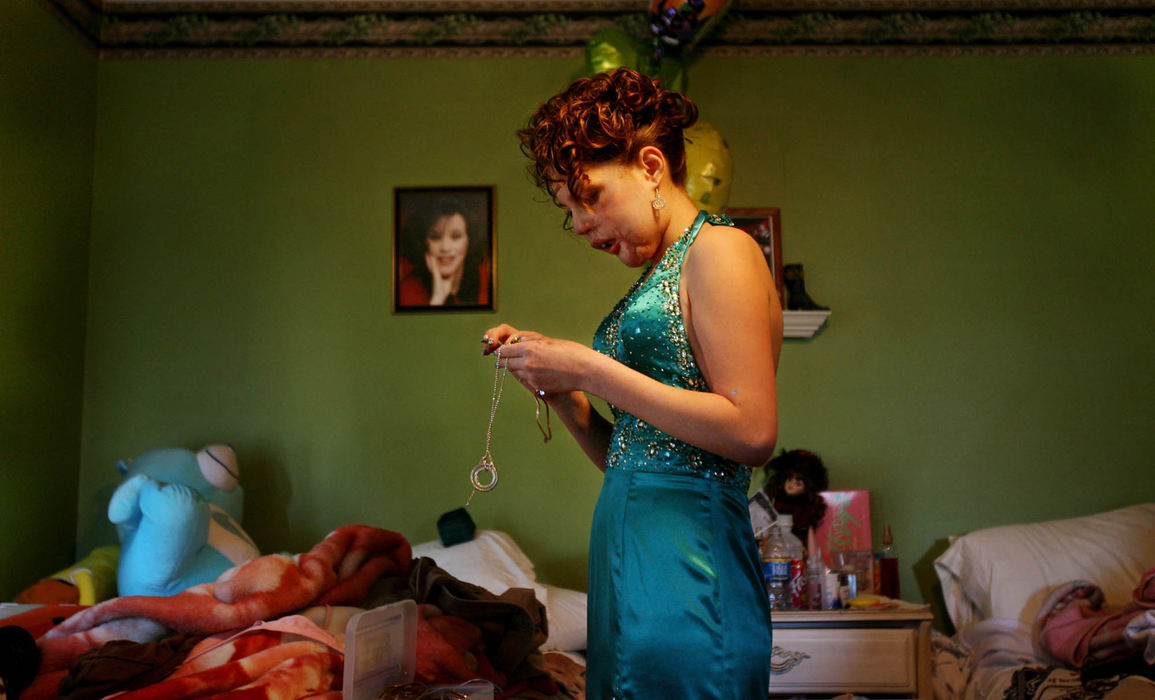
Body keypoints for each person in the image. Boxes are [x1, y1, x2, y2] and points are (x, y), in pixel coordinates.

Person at [482, 67, 783, 699]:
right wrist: (565, 395)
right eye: (568, 212)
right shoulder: (653, 278)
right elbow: (636, 456)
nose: (582, 225)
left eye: (589, 197)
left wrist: (590, 367)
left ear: (650, 166)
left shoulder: (721, 249)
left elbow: (752, 431)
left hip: (690, 575)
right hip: (630, 567)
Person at [397, 193, 490, 307]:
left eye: (456, 237)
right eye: (435, 237)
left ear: (469, 240)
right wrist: (438, 298)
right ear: (424, 242)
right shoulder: (408, 290)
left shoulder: (487, 283)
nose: (445, 248)